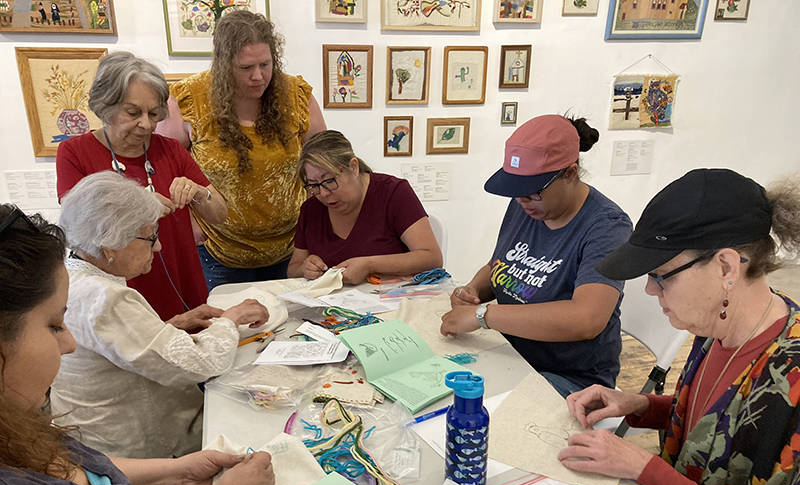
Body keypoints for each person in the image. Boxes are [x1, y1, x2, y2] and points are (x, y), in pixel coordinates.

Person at [0, 202, 275, 485]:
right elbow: (199, 361)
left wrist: (177, 476)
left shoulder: (16, 422)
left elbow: (75, 475)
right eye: (54, 325)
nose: (69, 343)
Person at [558, 169, 800, 485]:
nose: (651, 290)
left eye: (661, 276)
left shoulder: (791, 379)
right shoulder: (716, 325)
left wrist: (644, 467)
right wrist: (638, 406)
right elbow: (722, 427)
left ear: (725, 268)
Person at [50, 172, 270, 459]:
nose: (158, 246)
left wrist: (172, 325)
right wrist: (232, 318)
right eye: (149, 236)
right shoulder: (105, 296)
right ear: (110, 245)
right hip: (138, 446)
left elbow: (110, 346)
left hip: (93, 436)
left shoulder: (67, 276)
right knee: (257, 420)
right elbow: (200, 364)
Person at [441, 114, 632, 397]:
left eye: (533, 192)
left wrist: (484, 315)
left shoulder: (607, 226)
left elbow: (587, 319)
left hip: (569, 377)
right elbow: (502, 264)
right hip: (509, 352)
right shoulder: (528, 205)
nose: (522, 201)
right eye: (516, 191)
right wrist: (473, 291)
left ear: (570, 173)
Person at [158, 10, 327, 290]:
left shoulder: (295, 95)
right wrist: (190, 225)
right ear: (223, 64)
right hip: (218, 252)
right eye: (245, 67)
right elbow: (165, 169)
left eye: (266, 64)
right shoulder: (189, 99)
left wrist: (318, 224)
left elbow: (322, 161)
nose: (258, 76)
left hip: (291, 248)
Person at [56, 51, 228, 322]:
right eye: (133, 112)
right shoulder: (75, 152)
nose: (146, 124)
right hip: (118, 286)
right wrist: (139, 205)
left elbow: (220, 214)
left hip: (179, 273)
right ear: (105, 106)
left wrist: (198, 192)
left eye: (153, 114)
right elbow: (76, 225)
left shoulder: (170, 150)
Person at [287, 130, 443, 285]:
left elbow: (432, 258)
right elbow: (293, 269)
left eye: (329, 181)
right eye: (313, 185)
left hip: (391, 301)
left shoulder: (393, 193)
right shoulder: (311, 209)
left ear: (353, 167)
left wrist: (370, 265)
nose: (323, 193)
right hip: (331, 305)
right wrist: (305, 269)